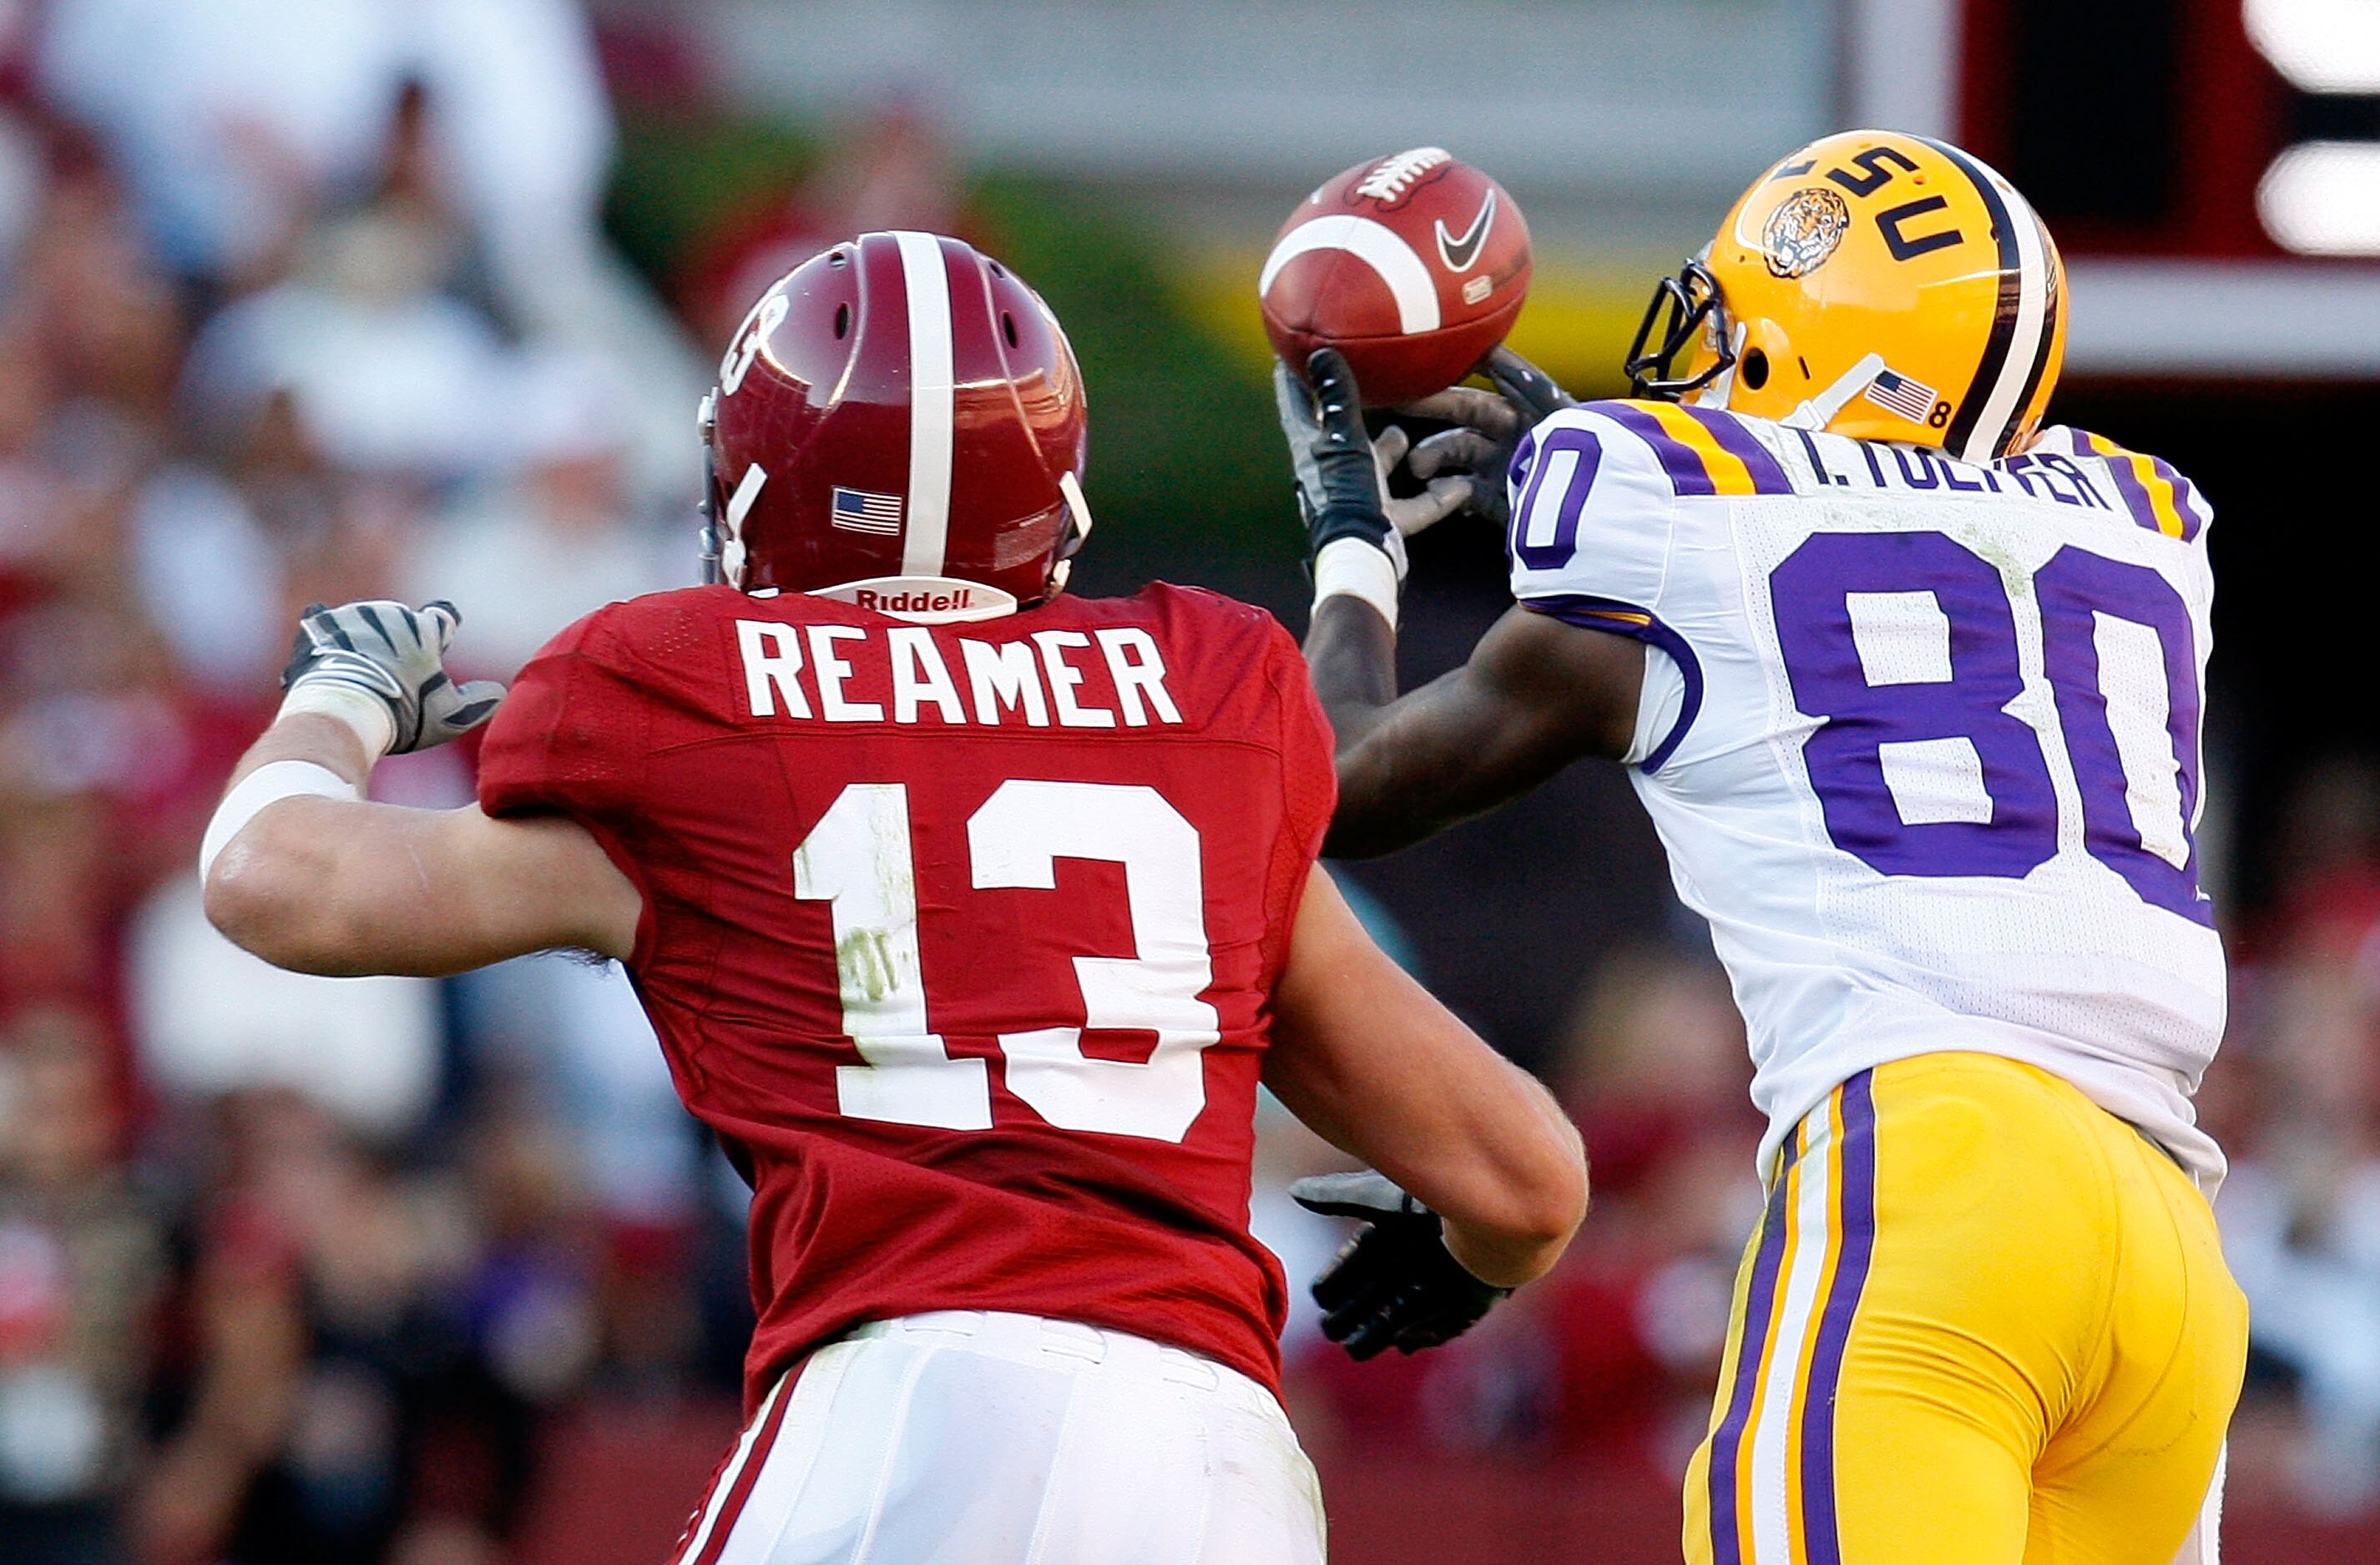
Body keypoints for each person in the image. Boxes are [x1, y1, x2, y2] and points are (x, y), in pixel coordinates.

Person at [200, 231, 1588, 1565]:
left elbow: (275, 881)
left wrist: (340, 698)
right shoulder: (1210, 701)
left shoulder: (688, 696)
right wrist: (1470, 1248)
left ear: (751, 488)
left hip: (915, 1403)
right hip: (1221, 1457)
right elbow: (1528, 1179)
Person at [1276, 132, 2245, 1564]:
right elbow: (1876, 541)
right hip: (2171, 1251)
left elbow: (1338, 784)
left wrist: (1354, 540)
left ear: (1818, 351)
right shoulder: (2150, 523)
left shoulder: (1665, 510)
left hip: (1937, 1177)